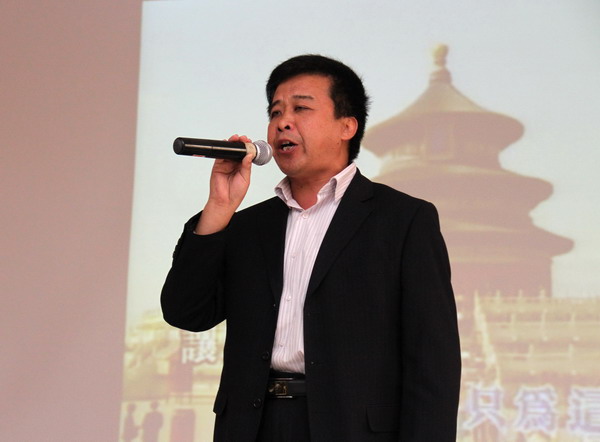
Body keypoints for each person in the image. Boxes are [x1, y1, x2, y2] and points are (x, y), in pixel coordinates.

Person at [161, 54, 461, 441]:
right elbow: (186, 311)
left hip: (351, 430)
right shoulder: (248, 227)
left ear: (347, 126)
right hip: (253, 427)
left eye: (301, 108)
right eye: (275, 112)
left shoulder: (403, 220)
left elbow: (433, 363)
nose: (282, 122)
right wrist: (219, 208)